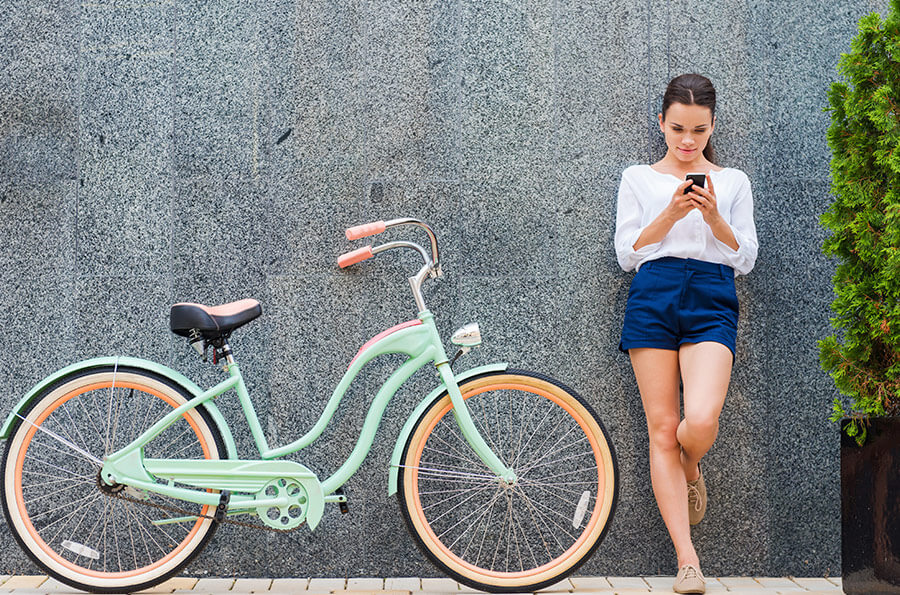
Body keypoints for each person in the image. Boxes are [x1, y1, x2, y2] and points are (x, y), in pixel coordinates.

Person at [614, 73, 758, 594]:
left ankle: (691, 466)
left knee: (698, 420)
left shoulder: (733, 180)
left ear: (713, 124)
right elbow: (627, 252)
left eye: (698, 129)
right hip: (653, 291)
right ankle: (687, 561)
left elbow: (744, 257)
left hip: (712, 295)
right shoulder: (639, 178)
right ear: (661, 123)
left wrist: (715, 217)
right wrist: (670, 213)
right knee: (660, 427)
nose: (688, 140)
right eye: (678, 128)